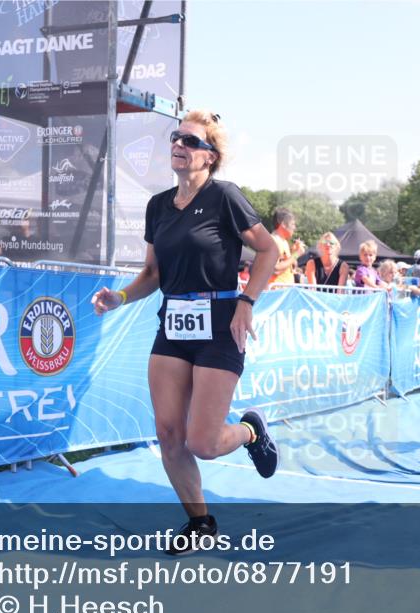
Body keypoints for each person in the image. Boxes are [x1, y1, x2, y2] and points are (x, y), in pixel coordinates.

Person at [91, 111, 279, 555]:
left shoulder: (225, 197)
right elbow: (152, 273)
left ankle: (250, 431)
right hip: (173, 326)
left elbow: (269, 250)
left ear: (210, 157)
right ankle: (200, 522)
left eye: (191, 141)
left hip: (220, 325)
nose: (179, 145)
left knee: (204, 443)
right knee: (169, 435)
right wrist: (120, 297)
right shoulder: (158, 206)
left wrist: (247, 301)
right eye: (176, 138)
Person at [269, 208, 306, 285]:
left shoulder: (284, 241)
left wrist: (294, 253)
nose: (294, 228)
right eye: (292, 224)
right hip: (276, 290)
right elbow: (275, 270)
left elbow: (289, 266)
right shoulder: (274, 241)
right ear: (283, 224)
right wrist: (297, 254)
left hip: (285, 289)